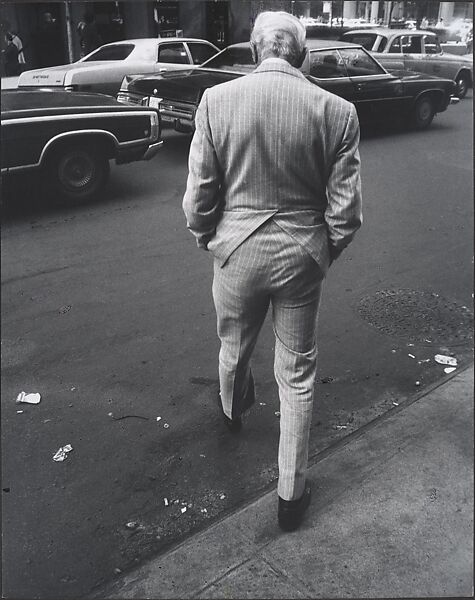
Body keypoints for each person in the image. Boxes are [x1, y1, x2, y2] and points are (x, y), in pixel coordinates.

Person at [183, 11, 362, 532]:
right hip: (302, 252)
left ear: (255, 50)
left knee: (234, 343)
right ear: (300, 54)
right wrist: (322, 250)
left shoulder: (217, 101)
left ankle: (232, 411)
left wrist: (207, 238)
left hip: (236, 249)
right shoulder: (337, 111)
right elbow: (345, 212)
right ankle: (291, 492)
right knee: (298, 371)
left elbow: (200, 193)